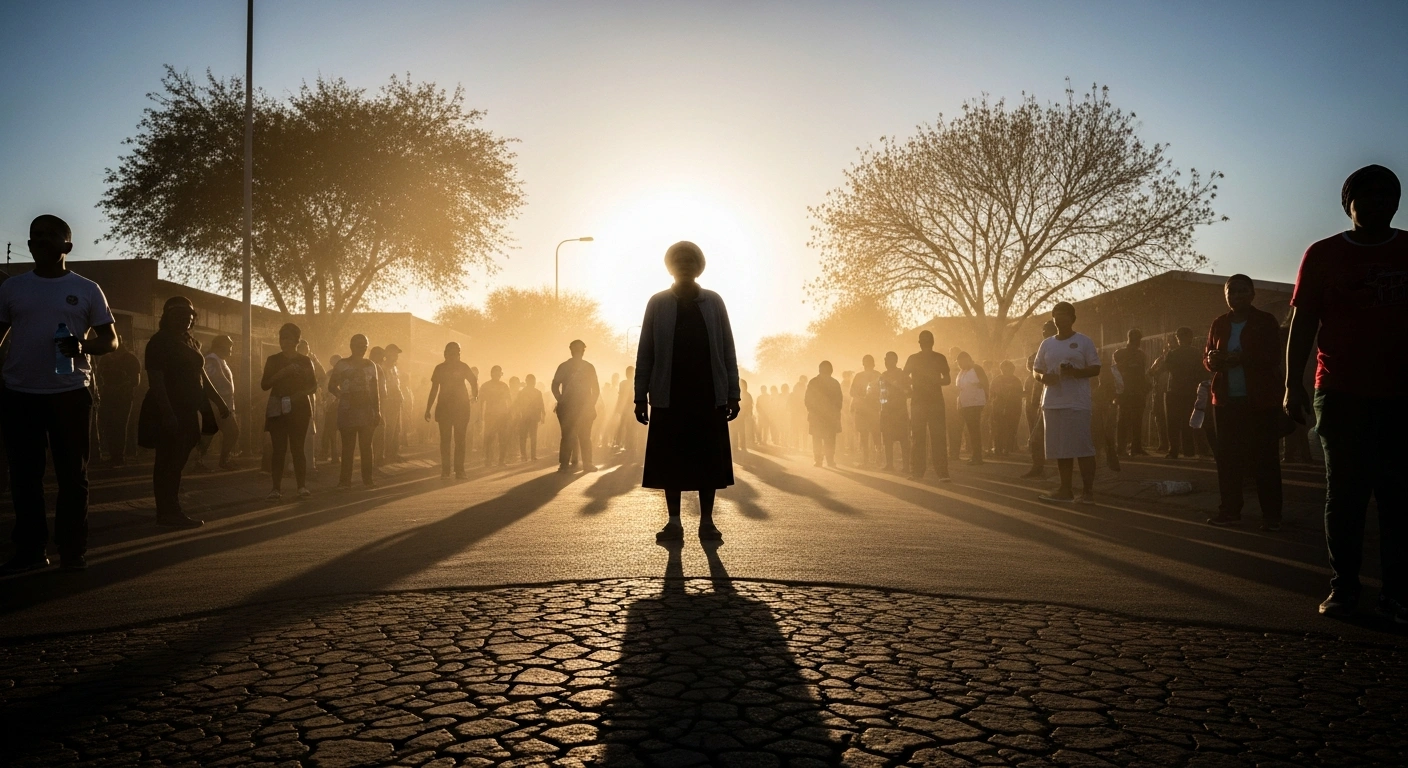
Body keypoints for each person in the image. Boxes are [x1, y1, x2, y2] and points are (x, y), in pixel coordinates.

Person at [1284, 164, 1408, 621]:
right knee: (1346, 494)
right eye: (1368, 194)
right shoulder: (1323, 254)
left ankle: (1397, 594)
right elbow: (1303, 325)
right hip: (1339, 391)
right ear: (1348, 203)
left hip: (1401, 396)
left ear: (1397, 202)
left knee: (1398, 496)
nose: (1378, 202)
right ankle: (1345, 587)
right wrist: (1290, 386)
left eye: (1387, 194)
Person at [0, 215, 119, 573]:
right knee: (24, 476)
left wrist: (83, 345)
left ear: (66, 246)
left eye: (49, 238)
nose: (40, 243)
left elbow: (111, 340)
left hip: (69, 393)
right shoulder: (12, 288)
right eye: (35, 238)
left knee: (72, 475)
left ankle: (72, 549)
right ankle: (31, 550)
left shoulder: (87, 289)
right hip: (20, 392)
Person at [635, 241, 740, 543]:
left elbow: (727, 349)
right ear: (670, 266)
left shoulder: (714, 302)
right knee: (671, 462)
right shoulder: (657, 302)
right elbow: (646, 352)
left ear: (698, 266)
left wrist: (733, 391)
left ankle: (707, 521)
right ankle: (674, 522)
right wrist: (640, 395)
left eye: (689, 260)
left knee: (709, 462)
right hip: (669, 395)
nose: (684, 264)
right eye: (678, 260)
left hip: (708, 394)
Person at [137, 297, 229, 529]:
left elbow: (201, 376)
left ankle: (170, 509)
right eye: (177, 314)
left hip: (188, 410)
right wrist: (167, 412)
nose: (184, 318)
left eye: (188, 314)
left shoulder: (191, 342)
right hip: (167, 409)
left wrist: (218, 401)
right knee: (167, 462)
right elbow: (156, 379)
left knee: (177, 461)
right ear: (167, 316)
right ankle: (168, 511)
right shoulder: (159, 342)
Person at [1203, 275, 1284, 529]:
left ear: (1252, 294)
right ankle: (1229, 511)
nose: (1237, 295)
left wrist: (1242, 359)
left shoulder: (1265, 321)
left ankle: (1271, 517)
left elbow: (1273, 357)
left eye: (1242, 291)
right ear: (1225, 295)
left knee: (1264, 460)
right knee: (1227, 460)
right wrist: (1212, 360)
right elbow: (1206, 357)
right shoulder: (1219, 323)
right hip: (1225, 401)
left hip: (1259, 402)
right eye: (1232, 291)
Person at [1032, 302, 1101, 503]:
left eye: (1063, 315)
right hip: (1052, 401)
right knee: (1061, 448)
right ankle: (1065, 489)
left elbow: (1096, 368)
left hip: (1076, 403)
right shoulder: (1047, 343)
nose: (1059, 319)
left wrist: (1075, 372)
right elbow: (1036, 369)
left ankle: (1088, 492)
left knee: (1082, 447)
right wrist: (1042, 378)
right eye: (1055, 315)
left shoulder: (1084, 341)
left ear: (1072, 318)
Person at [261, 323, 317, 501]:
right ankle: (275, 488)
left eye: (288, 338)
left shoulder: (305, 360)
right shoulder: (273, 360)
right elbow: (264, 385)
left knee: (298, 449)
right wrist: (281, 373)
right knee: (278, 449)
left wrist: (297, 395)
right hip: (277, 407)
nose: (284, 342)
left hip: (299, 409)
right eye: (281, 338)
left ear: (296, 340)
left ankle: (301, 486)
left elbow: (313, 386)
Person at [327, 334, 380, 489]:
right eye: (359, 345)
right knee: (348, 448)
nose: (362, 348)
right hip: (347, 411)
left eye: (365, 345)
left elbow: (375, 390)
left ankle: (368, 480)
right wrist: (342, 395)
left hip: (366, 410)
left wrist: (378, 411)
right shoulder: (342, 365)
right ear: (351, 346)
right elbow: (331, 386)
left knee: (366, 446)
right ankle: (345, 481)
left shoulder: (371, 365)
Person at [1151, 327, 1205, 459]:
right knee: (1189, 421)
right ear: (1190, 338)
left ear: (1178, 338)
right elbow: (1202, 372)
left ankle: (1173, 449)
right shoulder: (1196, 353)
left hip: (1174, 391)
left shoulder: (1172, 354)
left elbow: (1161, 370)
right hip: (1191, 391)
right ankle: (1189, 450)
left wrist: (1154, 372)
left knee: (1173, 422)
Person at [904, 330, 951, 482]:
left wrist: (913, 387)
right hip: (935, 401)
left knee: (918, 437)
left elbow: (904, 378)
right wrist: (934, 382)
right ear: (933, 342)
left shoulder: (913, 359)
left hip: (919, 402)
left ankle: (918, 472)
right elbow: (947, 380)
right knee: (938, 437)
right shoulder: (939, 358)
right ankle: (942, 473)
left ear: (920, 343)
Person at [424, 341, 476, 478]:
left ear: (459, 353)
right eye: (451, 352)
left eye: (456, 352)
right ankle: (447, 470)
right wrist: (428, 408)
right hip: (445, 408)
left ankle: (458, 470)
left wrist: (475, 395)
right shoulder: (440, 368)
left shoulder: (462, 367)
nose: (453, 355)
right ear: (445, 353)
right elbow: (434, 388)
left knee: (459, 440)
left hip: (460, 408)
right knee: (446, 440)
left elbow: (473, 380)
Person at [554, 341, 601, 473]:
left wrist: (560, 399)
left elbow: (554, 386)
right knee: (585, 437)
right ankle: (587, 463)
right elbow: (596, 390)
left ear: (570, 350)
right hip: (583, 408)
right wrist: (591, 405)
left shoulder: (564, 366)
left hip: (568, 408)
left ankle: (564, 464)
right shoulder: (588, 367)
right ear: (584, 351)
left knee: (567, 436)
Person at [194, 334, 238, 471]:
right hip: (215, 405)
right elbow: (213, 382)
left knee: (217, 433)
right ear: (221, 345)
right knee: (224, 432)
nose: (231, 348)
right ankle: (199, 461)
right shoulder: (211, 360)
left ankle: (201, 460)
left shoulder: (219, 360)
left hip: (223, 405)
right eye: (229, 345)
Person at [95, 334, 140, 466]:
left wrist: (118, 388)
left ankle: (118, 455)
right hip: (107, 397)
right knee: (110, 425)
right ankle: (114, 454)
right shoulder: (105, 359)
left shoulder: (130, 359)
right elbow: (98, 376)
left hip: (123, 398)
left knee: (120, 425)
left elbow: (135, 381)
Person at [1021, 320, 1058, 478]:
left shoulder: (1063, 351)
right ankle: (1038, 466)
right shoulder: (1040, 352)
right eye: (1043, 330)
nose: (1044, 333)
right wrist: (1034, 403)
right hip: (1040, 402)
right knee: (1036, 438)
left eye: (1048, 330)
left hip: (1059, 400)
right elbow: (1035, 374)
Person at [1113, 329, 1151, 456]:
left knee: (1133, 420)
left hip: (1134, 390)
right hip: (1127, 390)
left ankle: (1132, 447)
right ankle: (1126, 447)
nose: (1137, 342)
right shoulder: (1122, 353)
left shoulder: (1138, 354)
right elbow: (1117, 371)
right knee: (1127, 419)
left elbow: (1141, 373)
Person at [805, 361, 843, 467]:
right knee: (830, 439)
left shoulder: (813, 382)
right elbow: (839, 401)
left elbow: (807, 399)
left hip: (817, 416)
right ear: (831, 371)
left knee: (817, 438)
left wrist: (812, 410)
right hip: (828, 416)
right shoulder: (834, 383)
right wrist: (835, 412)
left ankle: (818, 460)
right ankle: (829, 460)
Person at [878, 351, 910, 472]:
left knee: (903, 440)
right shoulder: (883, 375)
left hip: (900, 411)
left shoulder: (902, 375)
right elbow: (881, 394)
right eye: (885, 359)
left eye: (889, 359)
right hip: (887, 411)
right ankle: (889, 464)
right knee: (887, 439)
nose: (886, 362)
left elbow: (909, 391)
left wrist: (899, 389)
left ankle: (906, 465)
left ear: (895, 361)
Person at [954, 351, 989, 465]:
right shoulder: (962, 372)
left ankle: (977, 456)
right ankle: (975, 454)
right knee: (970, 431)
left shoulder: (977, 369)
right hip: (965, 404)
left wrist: (986, 399)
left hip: (975, 403)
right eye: (958, 363)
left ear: (967, 359)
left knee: (974, 430)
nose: (960, 365)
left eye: (961, 363)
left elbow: (985, 383)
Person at [851, 355, 882, 467]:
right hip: (874, 409)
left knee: (864, 434)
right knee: (875, 434)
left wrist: (859, 397)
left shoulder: (859, 376)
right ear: (873, 364)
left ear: (863, 364)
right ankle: (878, 458)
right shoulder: (878, 375)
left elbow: (852, 392)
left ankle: (866, 461)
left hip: (863, 410)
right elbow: (884, 393)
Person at [382, 343, 410, 462]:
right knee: (389, 429)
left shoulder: (394, 368)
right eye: (395, 353)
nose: (397, 356)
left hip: (396, 402)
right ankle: (387, 454)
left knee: (397, 429)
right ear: (388, 353)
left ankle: (394, 452)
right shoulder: (383, 367)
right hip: (389, 402)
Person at [479, 365, 512, 467]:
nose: (498, 374)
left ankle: (501, 460)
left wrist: (510, 413)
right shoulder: (485, 386)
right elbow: (481, 402)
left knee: (502, 438)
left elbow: (509, 401)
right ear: (491, 373)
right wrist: (480, 415)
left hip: (502, 415)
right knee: (489, 438)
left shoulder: (504, 386)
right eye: (496, 372)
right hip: (490, 415)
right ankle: (488, 460)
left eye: (499, 373)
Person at [990, 360, 1023, 456]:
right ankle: (998, 447)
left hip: (1012, 408)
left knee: (1011, 428)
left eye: (1008, 369)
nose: (1006, 371)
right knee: (998, 428)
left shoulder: (1016, 380)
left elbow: (1019, 395)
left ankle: (1008, 448)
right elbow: (992, 394)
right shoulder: (997, 379)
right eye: (1004, 368)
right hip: (999, 408)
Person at [515, 372, 545, 463]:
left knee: (527, 437)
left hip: (529, 417)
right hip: (527, 417)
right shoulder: (526, 392)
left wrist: (543, 415)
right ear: (527, 381)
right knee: (528, 437)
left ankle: (528, 456)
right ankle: (528, 456)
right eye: (531, 381)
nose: (532, 382)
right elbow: (518, 404)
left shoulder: (530, 392)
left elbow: (541, 405)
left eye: (533, 381)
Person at [734, 379, 753, 454]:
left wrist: (749, 414)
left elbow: (750, 405)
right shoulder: (736, 394)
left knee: (742, 431)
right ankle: (735, 446)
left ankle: (743, 446)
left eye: (743, 385)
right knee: (735, 431)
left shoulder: (747, 395)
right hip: (736, 415)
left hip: (742, 415)